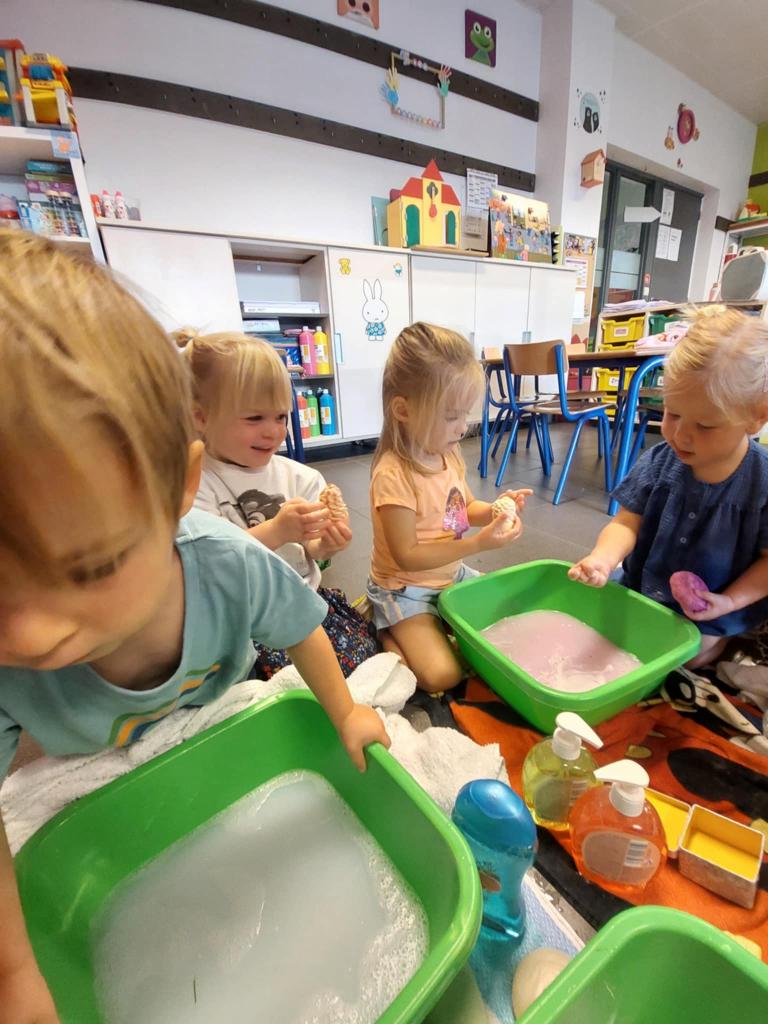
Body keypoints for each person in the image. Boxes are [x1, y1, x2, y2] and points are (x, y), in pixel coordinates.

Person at [0, 233, 389, 1021]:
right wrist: (13, 972)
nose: (32, 637)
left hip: (223, 720)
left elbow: (301, 624)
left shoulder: (223, 558)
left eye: (90, 567)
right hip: (101, 779)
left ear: (177, 488)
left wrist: (347, 711)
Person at [569, 306, 768, 667]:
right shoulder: (660, 460)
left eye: (705, 426)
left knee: (683, 658)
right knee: (593, 633)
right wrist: (602, 559)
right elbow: (626, 522)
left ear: (757, 417)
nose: (680, 435)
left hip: (712, 608)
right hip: (641, 586)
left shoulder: (762, 482)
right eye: (672, 413)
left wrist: (729, 602)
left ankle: (727, 642)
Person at [179, 330, 377, 677]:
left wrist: (326, 544)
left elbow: (312, 551)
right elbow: (208, 563)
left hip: (300, 605)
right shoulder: (196, 483)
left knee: (361, 658)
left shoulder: (300, 477)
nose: (272, 431)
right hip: (239, 622)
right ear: (201, 417)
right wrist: (277, 530)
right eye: (254, 418)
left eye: (281, 417)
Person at [366, 322, 531, 693]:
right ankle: (387, 630)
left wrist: (496, 510)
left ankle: (434, 627)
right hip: (404, 589)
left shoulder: (448, 453)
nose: (462, 427)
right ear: (403, 409)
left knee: (513, 622)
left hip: (450, 576)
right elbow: (407, 556)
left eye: (465, 414)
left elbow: (463, 508)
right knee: (443, 676)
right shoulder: (394, 475)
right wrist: (478, 544)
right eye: (451, 416)